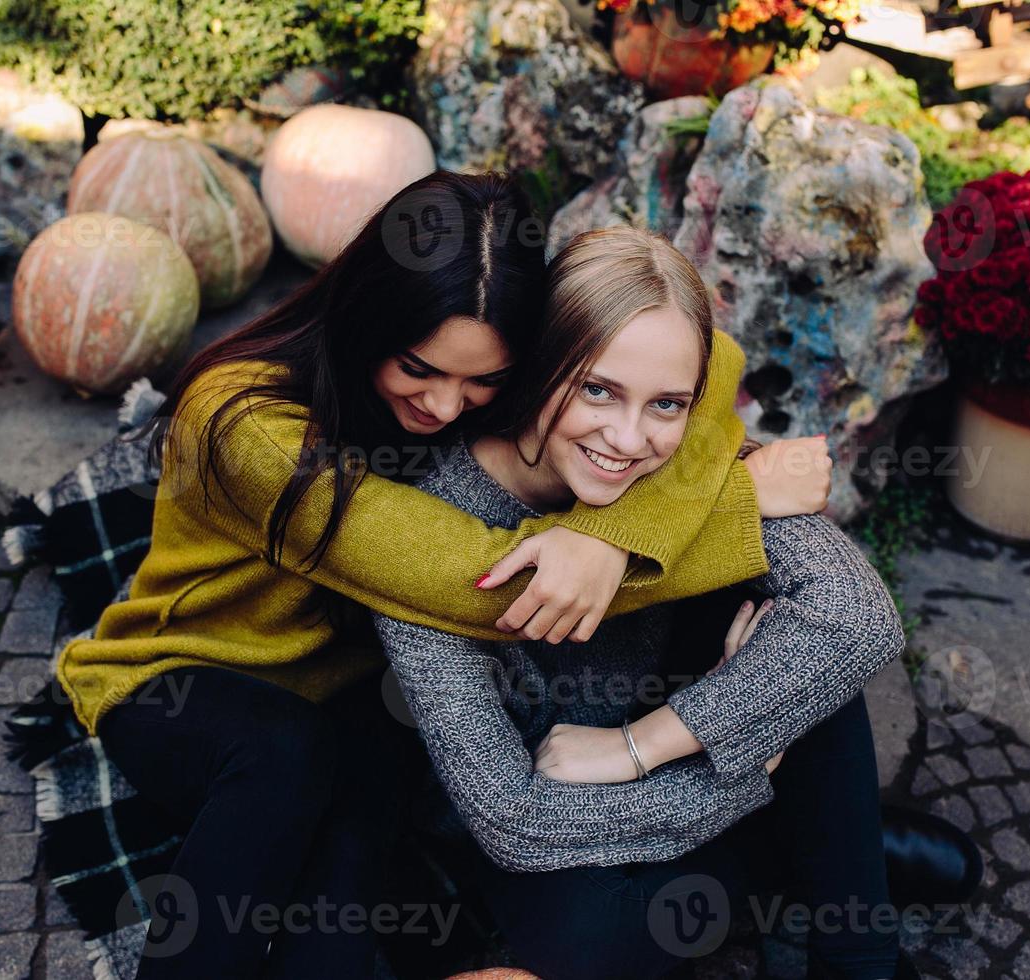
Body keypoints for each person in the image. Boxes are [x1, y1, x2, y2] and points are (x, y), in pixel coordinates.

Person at [52, 172, 829, 978]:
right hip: (188, 678)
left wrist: (615, 530)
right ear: (368, 317)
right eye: (420, 368)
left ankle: (794, 856)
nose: (447, 406)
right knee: (286, 757)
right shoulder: (243, 424)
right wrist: (725, 510)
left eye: (482, 380)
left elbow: (712, 356)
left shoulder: (475, 362)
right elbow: (467, 580)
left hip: (357, 687)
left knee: (355, 852)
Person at [373, 226, 912, 980]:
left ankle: (862, 959)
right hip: (544, 801)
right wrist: (752, 764)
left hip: (642, 739)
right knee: (587, 939)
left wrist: (644, 748)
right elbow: (512, 821)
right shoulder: (432, 535)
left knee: (806, 660)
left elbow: (859, 618)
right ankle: (809, 846)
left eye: (666, 403)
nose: (628, 439)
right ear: (536, 366)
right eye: (597, 389)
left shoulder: (683, 454)